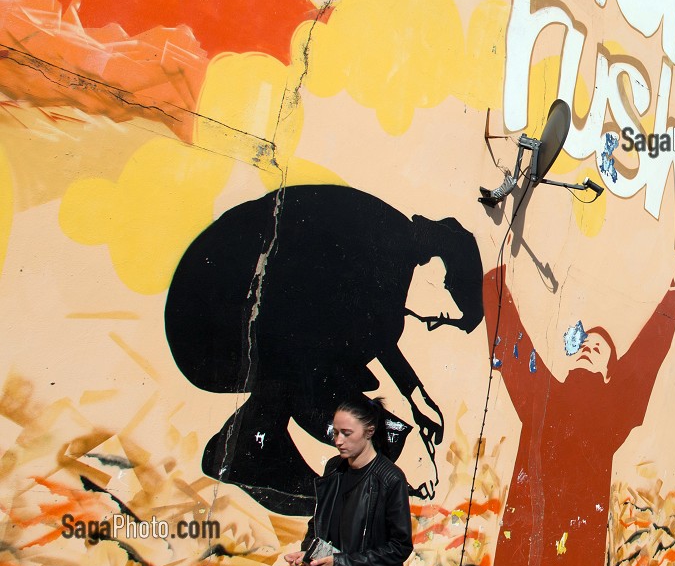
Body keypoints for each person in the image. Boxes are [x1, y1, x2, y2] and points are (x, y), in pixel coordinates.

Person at [166, 184, 484, 514]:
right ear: (441, 271)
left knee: (376, 423)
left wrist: (417, 401)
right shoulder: (387, 249)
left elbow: (374, 332)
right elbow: (365, 333)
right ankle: (252, 445)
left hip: (236, 314)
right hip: (214, 319)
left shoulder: (392, 251)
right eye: (440, 317)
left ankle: (254, 444)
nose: (430, 322)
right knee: (336, 388)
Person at [483, 266, 675, 566]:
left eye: (598, 348)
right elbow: (512, 344)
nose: (587, 347)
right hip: (523, 550)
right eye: (585, 344)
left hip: (574, 556)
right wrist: (494, 280)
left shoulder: (609, 413)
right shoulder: (544, 396)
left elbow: (644, 360)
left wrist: (671, 300)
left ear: (610, 373)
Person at [285, 397, 413, 566]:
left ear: (369, 432)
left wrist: (339, 565)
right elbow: (318, 522)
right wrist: (307, 554)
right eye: (335, 432)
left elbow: (399, 547)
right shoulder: (334, 468)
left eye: (346, 433)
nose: (338, 441)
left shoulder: (390, 479)